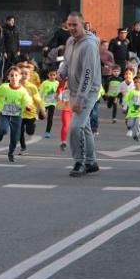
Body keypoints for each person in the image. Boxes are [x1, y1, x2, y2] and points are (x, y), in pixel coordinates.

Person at [58, 11, 101, 177]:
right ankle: (91, 162)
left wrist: (80, 99)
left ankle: (79, 162)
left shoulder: (89, 45)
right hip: (74, 90)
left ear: (83, 24)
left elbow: (88, 75)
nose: (72, 28)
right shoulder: (70, 41)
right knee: (85, 126)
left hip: (88, 91)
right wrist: (62, 72)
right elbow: (66, 61)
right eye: (69, 24)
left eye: (75, 24)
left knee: (76, 127)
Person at [0, 66, 34, 163]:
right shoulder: (4, 87)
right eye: (11, 75)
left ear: (20, 77)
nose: (14, 77)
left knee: (15, 137)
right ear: (8, 77)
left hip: (17, 116)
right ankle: (0, 134)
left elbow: (27, 101)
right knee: (3, 129)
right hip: (4, 114)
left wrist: (28, 107)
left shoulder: (22, 90)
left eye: (16, 75)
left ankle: (11, 152)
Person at [16, 63, 45, 155]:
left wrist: (42, 110)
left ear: (30, 76)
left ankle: (33, 126)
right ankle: (23, 147)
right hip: (19, 113)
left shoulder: (32, 87)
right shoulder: (15, 86)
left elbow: (38, 100)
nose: (24, 76)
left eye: (26, 74)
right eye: (22, 74)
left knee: (30, 131)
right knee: (19, 131)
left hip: (30, 113)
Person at [40, 68, 60, 138]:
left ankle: (47, 132)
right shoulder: (45, 83)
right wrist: (40, 100)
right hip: (44, 102)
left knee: (50, 118)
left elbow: (59, 92)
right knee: (41, 116)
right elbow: (41, 92)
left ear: (56, 75)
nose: (52, 76)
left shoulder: (57, 83)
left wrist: (59, 97)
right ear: (48, 75)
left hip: (52, 103)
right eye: (50, 75)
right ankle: (43, 114)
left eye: (54, 75)